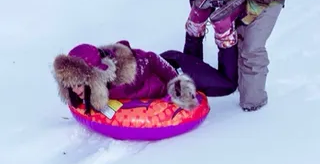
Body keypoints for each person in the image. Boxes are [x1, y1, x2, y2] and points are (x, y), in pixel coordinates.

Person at [52, 40, 239, 115]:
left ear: (94, 78)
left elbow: (150, 58)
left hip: (174, 66)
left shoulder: (126, 76)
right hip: (154, 74)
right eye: (71, 86)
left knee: (227, 86)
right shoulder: (93, 91)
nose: (75, 90)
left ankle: (229, 46)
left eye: (78, 84)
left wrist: (175, 83)